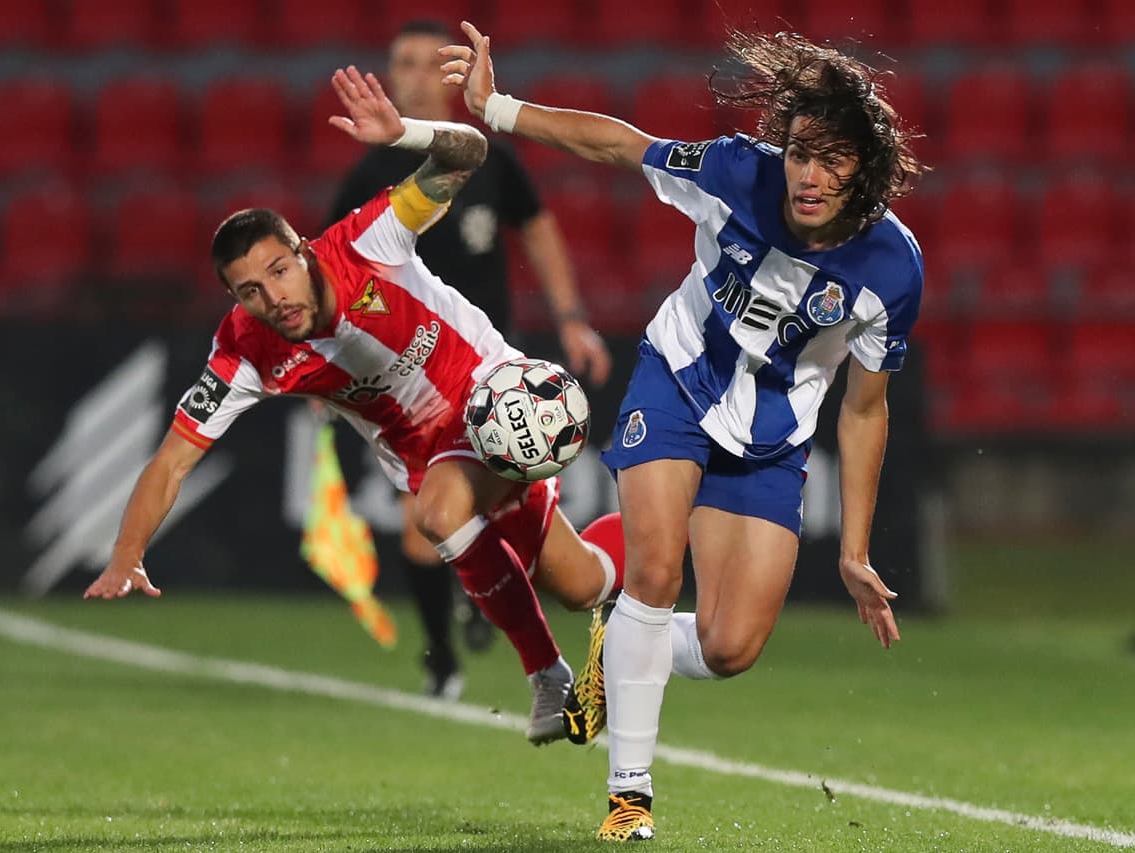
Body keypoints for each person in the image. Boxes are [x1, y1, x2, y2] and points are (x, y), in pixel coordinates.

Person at [442, 22, 926, 840]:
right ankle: (629, 795)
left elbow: (865, 407)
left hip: (770, 438)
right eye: (801, 153)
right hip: (677, 382)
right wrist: (497, 107)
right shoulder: (740, 172)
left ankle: (618, 645)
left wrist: (854, 549)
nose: (809, 176)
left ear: (866, 170)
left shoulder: (892, 269)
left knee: (730, 645)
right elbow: (622, 146)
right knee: (656, 571)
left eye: (833, 159)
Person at [83, 64, 627, 745]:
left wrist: (409, 136)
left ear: (302, 251)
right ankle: (647, 553)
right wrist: (126, 551)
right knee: (582, 583)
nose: (272, 296)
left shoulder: (369, 239)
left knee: (438, 512)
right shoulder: (246, 350)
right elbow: (171, 461)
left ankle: (547, 673)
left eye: (278, 269)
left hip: (492, 395)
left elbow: (471, 153)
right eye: (249, 289)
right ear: (235, 300)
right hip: (424, 452)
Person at [326, 19, 612, 701]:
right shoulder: (368, 174)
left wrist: (571, 317)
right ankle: (445, 659)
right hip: (406, 389)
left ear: (451, 78)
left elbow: (537, 226)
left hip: (489, 372)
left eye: (432, 63)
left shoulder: (485, 161)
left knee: (497, 524)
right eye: (406, 63)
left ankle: (522, 613)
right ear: (391, 76)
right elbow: (326, 285)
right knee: (429, 526)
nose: (419, 75)